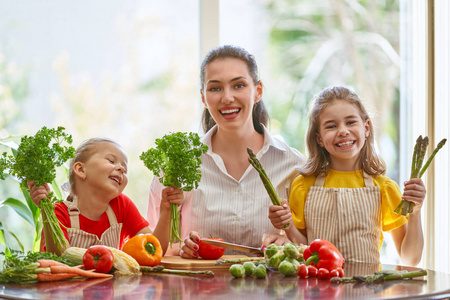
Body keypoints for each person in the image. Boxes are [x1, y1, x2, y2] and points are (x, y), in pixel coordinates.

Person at [147, 45, 305, 257]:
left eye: (238, 85)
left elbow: (312, 245)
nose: (227, 98)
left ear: (257, 91)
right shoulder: (177, 167)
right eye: (215, 88)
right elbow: (153, 250)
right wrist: (181, 249)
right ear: (203, 97)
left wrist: (288, 241)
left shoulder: (293, 165)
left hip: (270, 289)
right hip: (197, 287)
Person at [268, 86, 425, 266]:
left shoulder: (384, 187)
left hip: (368, 291)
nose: (342, 131)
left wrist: (416, 212)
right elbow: (303, 249)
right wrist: (287, 225)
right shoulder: (303, 185)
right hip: (318, 289)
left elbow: (410, 259)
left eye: (350, 122)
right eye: (331, 126)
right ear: (319, 138)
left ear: (366, 128)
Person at [28, 138, 183, 256]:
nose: (122, 168)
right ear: (81, 170)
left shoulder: (122, 205)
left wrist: (166, 212)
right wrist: (45, 207)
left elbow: (154, 249)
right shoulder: (58, 213)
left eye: (125, 168)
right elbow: (60, 257)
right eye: (111, 160)